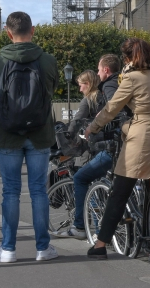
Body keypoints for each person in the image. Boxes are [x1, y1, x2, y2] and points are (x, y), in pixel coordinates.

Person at [84, 38, 150, 259]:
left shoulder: (132, 77)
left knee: (119, 193)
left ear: (127, 58)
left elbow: (111, 108)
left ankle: (100, 244)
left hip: (143, 142)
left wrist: (93, 127)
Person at [0, 11, 59, 263]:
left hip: (8, 134)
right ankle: (42, 248)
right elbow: (50, 91)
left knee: (10, 192)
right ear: (33, 30)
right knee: (38, 190)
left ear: (8, 32)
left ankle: (7, 249)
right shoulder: (48, 60)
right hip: (39, 132)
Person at [53, 69, 107, 239]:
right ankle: (101, 228)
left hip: (90, 148)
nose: (79, 89)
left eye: (81, 85)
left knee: (87, 184)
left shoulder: (88, 100)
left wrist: (67, 135)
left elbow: (76, 122)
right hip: (105, 145)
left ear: (88, 84)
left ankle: (86, 227)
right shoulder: (103, 97)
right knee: (101, 187)